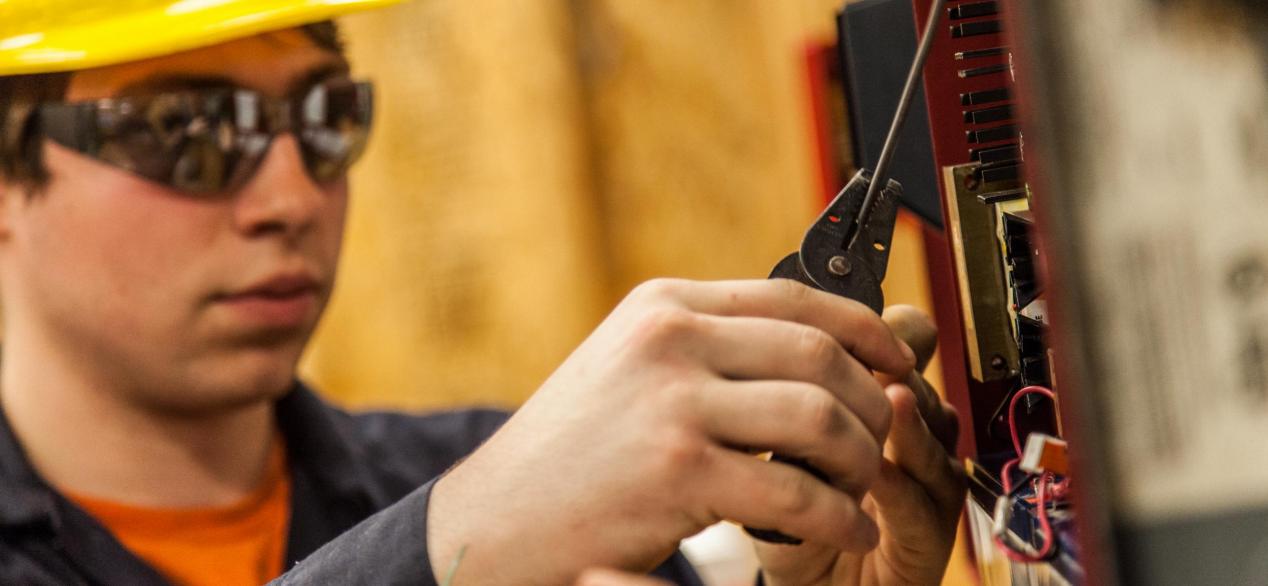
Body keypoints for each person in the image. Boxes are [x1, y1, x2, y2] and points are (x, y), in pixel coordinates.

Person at [0, 1, 965, 584]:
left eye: (327, 119)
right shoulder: (507, 508)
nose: (294, 196)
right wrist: (453, 552)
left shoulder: (495, 473)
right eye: (188, 132)